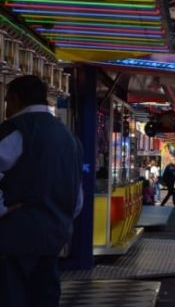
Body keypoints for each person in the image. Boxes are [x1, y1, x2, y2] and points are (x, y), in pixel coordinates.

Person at [0, 75, 83, 307]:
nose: (6, 108)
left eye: (7, 101)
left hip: (13, 238)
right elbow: (77, 200)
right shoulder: (70, 138)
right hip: (54, 237)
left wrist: (3, 208)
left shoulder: (16, 130)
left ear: (16, 99)